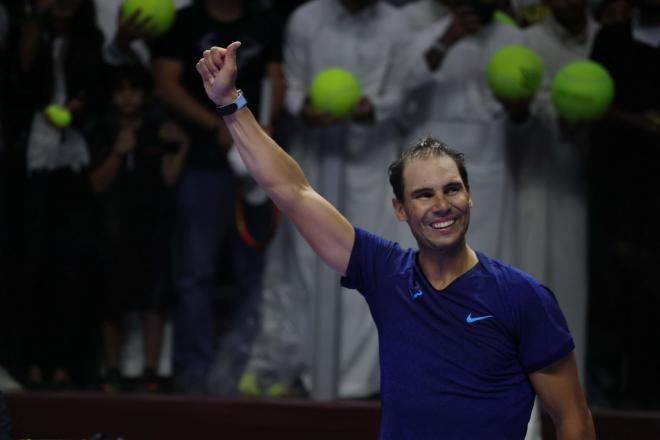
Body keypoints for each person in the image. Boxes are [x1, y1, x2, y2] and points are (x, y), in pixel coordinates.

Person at [196, 42, 596, 439]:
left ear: (469, 196)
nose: (442, 205)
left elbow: (574, 419)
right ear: (400, 209)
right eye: (424, 195)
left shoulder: (522, 297)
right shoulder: (386, 273)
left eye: (452, 190)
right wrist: (230, 102)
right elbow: (292, 192)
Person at [150, 0, 284, 393]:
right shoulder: (185, 22)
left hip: (257, 166)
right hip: (203, 164)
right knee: (195, 271)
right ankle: (195, 373)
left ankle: (239, 371)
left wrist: (253, 130)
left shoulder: (263, 21)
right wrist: (217, 124)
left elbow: (277, 81)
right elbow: (165, 82)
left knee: (252, 274)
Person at [88, 63, 189, 393]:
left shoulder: (158, 128)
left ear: (145, 93)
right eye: (120, 90)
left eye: (134, 90)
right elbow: (94, 185)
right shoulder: (100, 129)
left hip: (152, 224)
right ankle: (112, 371)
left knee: (154, 299)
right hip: (113, 226)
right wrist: (118, 151)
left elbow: (170, 177)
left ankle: (150, 372)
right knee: (111, 301)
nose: (127, 98)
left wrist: (181, 144)